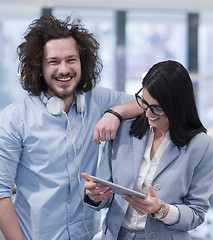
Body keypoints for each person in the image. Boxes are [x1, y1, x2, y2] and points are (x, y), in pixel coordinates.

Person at [0, 15, 142, 240]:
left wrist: (116, 112)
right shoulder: (14, 119)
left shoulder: (99, 100)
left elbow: (150, 102)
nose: (64, 69)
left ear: (82, 63)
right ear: (39, 67)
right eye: (53, 61)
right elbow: (1, 194)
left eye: (71, 59)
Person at [81, 60, 213, 240]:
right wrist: (95, 195)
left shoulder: (202, 146)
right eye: (144, 103)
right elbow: (106, 195)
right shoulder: (123, 130)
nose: (148, 114)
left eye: (157, 109)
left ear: (177, 106)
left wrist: (161, 209)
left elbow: (196, 213)